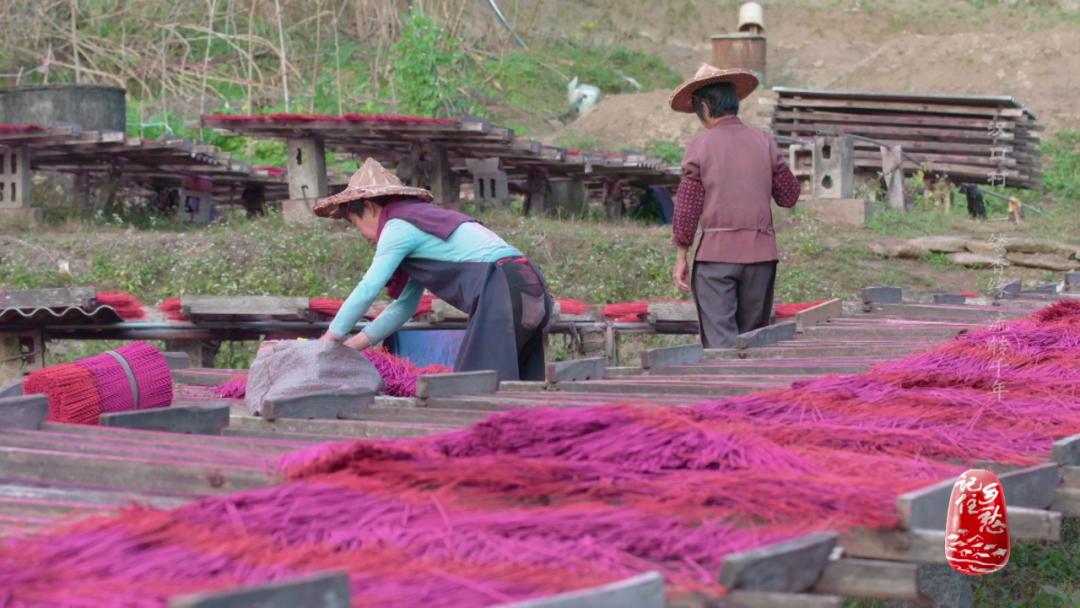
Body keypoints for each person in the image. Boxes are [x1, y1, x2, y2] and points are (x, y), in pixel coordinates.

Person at [314, 158, 553, 382]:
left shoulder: (398, 227)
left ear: (370, 207)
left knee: (478, 387)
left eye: (357, 224)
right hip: (528, 284)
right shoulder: (421, 222)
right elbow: (404, 307)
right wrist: (349, 348)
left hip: (500, 286)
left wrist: (330, 339)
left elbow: (368, 288)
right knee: (520, 385)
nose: (366, 236)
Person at [668, 64, 801, 348]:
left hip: (716, 260)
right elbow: (789, 196)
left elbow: (687, 207)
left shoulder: (699, 146)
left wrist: (681, 256)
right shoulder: (764, 141)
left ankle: (726, 389)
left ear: (704, 106)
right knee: (753, 342)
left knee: (721, 345)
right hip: (761, 259)